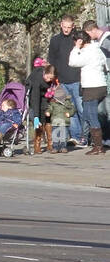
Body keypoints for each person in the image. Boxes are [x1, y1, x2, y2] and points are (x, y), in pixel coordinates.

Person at [69, 29, 107, 156]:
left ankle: (98, 146)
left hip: (91, 87)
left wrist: (76, 48)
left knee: (91, 116)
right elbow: (103, 62)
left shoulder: (87, 52)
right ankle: (97, 143)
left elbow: (72, 62)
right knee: (90, 114)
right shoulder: (97, 49)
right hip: (101, 85)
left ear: (80, 41)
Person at [48, 15, 84, 146]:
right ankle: (74, 137)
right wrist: (53, 79)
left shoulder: (77, 39)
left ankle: (84, 136)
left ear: (73, 26)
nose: (67, 30)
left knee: (80, 109)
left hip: (76, 79)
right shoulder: (55, 40)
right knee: (67, 110)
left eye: (69, 27)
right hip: (61, 82)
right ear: (61, 25)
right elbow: (51, 59)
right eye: (65, 27)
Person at [42, 66, 75, 154]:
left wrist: (69, 113)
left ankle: (63, 147)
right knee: (55, 135)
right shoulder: (53, 103)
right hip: (55, 122)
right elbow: (50, 108)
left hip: (64, 122)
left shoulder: (67, 103)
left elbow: (72, 109)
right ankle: (55, 147)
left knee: (63, 136)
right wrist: (48, 112)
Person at [26, 57, 49, 154]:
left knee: (43, 119)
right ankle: (45, 143)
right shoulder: (37, 79)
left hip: (40, 100)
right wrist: (36, 116)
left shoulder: (36, 75)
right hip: (35, 100)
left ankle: (40, 144)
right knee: (41, 120)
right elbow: (35, 98)